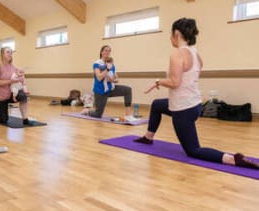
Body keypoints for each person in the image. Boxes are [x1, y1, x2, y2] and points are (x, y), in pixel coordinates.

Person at [134, 17, 258, 169]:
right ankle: (148, 137)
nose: (170, 38)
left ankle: (233, 159)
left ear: (177, 34)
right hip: (195, 105)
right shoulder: (195, 53)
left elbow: (175, 83)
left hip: (183, 109)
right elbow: (191, 75)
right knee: (157, 105)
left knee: (193, 150)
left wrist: (159, 81)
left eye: (171, 34)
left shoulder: (177, 54)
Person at [81, 45, 137, 121]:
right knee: (97, 114)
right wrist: (107, 69)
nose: (107, 52)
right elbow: (99, 77)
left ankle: (128, 115)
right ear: (101, 52)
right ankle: (87, 111)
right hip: (100, 91)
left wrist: (113, 80)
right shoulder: (97, 64)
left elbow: (116, 78)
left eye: (109, 51)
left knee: (127, 90)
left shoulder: (111, 64)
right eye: (106, 50)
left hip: (110, 88)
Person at [0, 47, 31, 125]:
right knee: (4, 120)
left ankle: (25, 119)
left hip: (10, 94)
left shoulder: (12, 66)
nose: (10, 54)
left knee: (23, 96)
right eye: (8, 52)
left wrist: (22, 81)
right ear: (2, 54)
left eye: (11, 52)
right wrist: (11, 81)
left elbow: (20, 75)